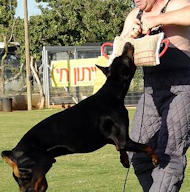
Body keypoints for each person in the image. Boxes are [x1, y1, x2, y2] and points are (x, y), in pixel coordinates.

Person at [120, 0, 190, 191]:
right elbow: (120, 59)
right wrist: (129, 37)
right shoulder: (134, 16)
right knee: (137, 152)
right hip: (151, 90)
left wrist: (157, 19)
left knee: (169, 155)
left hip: (184, 88)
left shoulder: (178, 3)